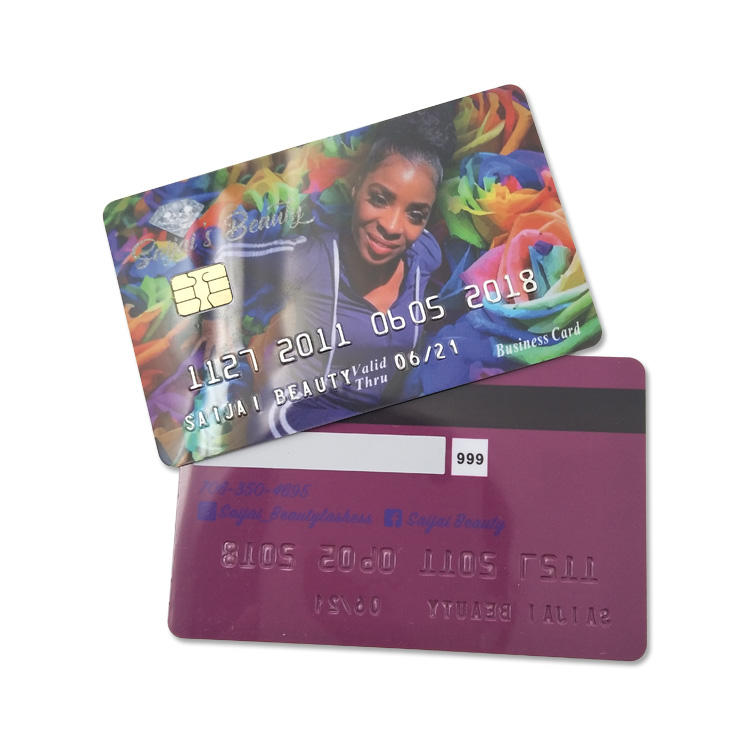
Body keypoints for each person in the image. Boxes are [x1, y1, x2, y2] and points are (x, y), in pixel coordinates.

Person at [190, 105, 457, 449]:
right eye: (380, 199)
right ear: (356, 188)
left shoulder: (425, 256)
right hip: (294, 423)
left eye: (415, 214)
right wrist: (212, 319)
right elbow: (213, 251)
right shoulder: (310, 257)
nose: (392, 227)